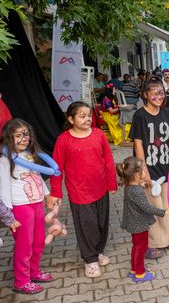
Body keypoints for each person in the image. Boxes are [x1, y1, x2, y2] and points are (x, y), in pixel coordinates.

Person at [48, 101, 117, 278]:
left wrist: (112, 182)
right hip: (79, 192)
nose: (87, 119)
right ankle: (90, 260)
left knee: (102, 223)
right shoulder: (63, 140)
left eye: (89, 115)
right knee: (87, 226)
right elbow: (57, 169)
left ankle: (98, 251)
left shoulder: (99, 134)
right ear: (71, 119)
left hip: (101, 188)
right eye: (82, 116)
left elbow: (108, 160)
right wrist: (56, 191)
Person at [0, 119, 52, 294]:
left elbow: (36, 177)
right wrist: (8, 217)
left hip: (36, 205)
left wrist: (47, 194)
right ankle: (21, 281)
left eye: (26, 134)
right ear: (8, 138)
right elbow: (3, 190)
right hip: (20, 209)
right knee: (24, 246)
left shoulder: (29, 156)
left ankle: (34, 272)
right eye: (18, 135)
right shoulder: (4, 162)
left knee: (38, 242)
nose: (23, 138)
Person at [129, 77, 169, 258]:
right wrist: (143, 171)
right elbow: (138, 145)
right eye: (154, 93)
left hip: (166, 169)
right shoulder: (140, 116)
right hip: (149, 172)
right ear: (145, 95)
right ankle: (152, 243)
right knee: (153, 206)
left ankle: (168, 239)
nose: (159, 96)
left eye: (161, 92)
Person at [117, 157, 169, 282]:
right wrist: (164, 212)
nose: (145, 171)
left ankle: (135, 269)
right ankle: (140, 273)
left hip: (134, 223)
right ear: (136, 175)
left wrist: (142, 184)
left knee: (136, 247)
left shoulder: (131, 186)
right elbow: (147, 208)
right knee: (141, 248)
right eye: (143, 169)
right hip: (139, 225)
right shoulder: (137, 191)